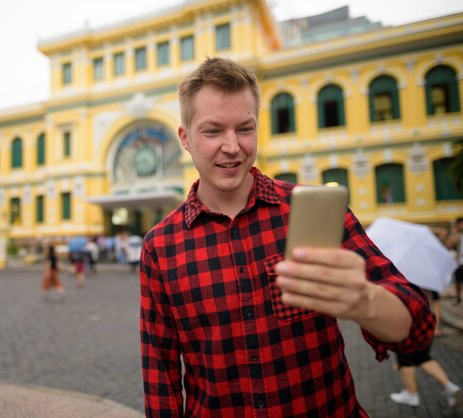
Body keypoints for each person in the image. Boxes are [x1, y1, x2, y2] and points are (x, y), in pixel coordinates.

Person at [139, 57, 435, 417]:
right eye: (213, 131)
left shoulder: (315, 212)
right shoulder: (161, 246)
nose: (232, 146)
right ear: (185, 138)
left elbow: (417, 327)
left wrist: (364, 301)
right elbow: (161, 374)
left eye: (245, 129)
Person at [389, 290, 461, 409]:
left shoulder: (402, 282)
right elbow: (436, 304)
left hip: (407, 326)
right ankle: (450, 387)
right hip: (427, 326)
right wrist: (435, 327)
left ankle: (411, 394)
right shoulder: (429, 282)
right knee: (422, 358)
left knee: (404, 358)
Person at [447, 217, 463, 305]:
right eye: (459, 223)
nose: (460, 225)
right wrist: (453, 234)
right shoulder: (458, 236)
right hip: (459, 263)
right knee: (458, 282)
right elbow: (449, 246)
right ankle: (458, 297)